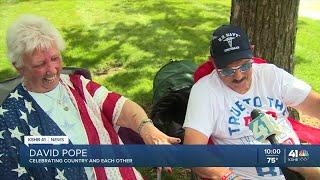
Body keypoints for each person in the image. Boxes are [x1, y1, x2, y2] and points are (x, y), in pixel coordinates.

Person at [0, 14, 180, 179]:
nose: (52, 70)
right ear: (19, 66)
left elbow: (120, 107)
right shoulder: (10, 117)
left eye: (55, 58)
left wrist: (148, 130)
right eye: (40, 64)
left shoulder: (77, 84)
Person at [183, 24, 320, 179]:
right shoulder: (205, 91)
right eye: (227, 71)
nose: (238, 76)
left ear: (252, 52)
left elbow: (315, 104)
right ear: (212, 62)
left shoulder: (271, 75)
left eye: (245, 65)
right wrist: (229, 178)